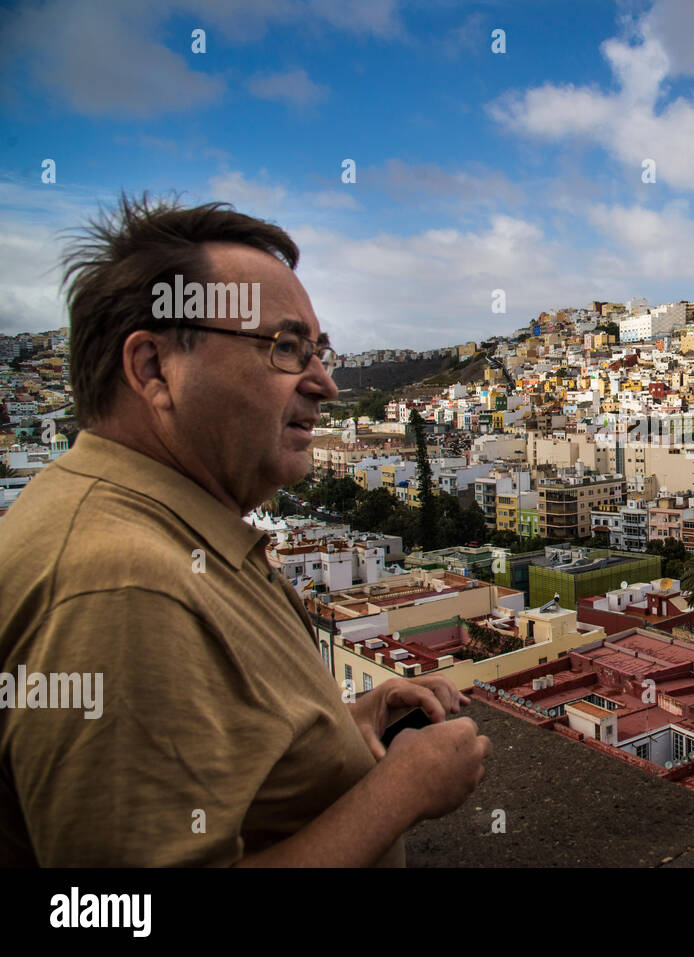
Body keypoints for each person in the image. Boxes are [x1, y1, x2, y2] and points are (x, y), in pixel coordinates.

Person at [0, 193, 491, 866]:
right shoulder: (122, 584)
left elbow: (212, 767)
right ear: (153, 368)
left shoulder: (161, 523)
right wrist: (404, 788)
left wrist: (344, 730)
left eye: (319, 350)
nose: (324, 382)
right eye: (285, 347)